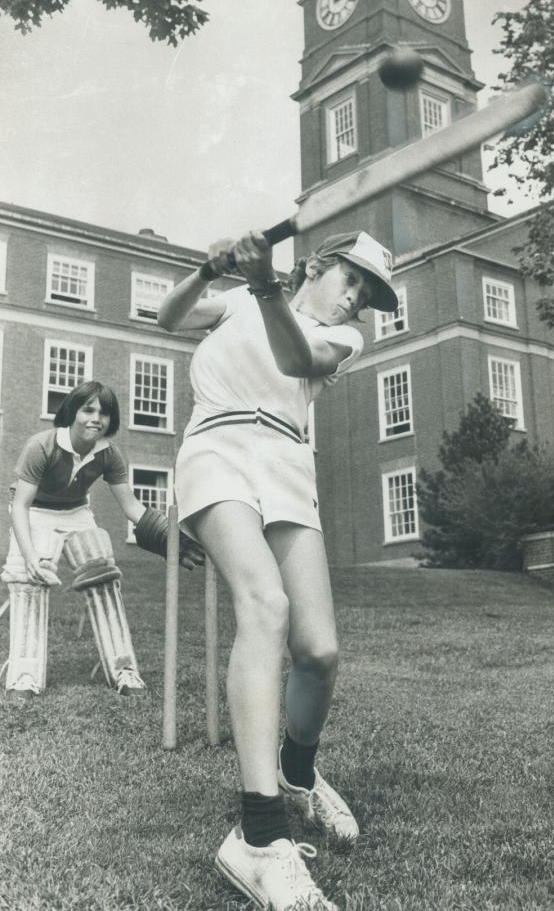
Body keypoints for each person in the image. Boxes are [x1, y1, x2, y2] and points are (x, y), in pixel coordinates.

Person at [158, 229, 398, 911]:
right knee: (264, 606)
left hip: (289, 461)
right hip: (217, 447)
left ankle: (297, 773)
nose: (355, 301)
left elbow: (294, 359)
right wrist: (209, 267)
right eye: (350, 281)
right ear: (317, 266)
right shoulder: (235, 302)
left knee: (318, 652)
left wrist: (265, 286)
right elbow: (167, 318)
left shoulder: (343, 342)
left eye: (368, 295)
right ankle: (259, 836)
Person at [1, 380, 202, 699]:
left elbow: (132, 507)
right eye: (88, 410)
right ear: (72, 411)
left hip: (76, 511)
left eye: (105, 412)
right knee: (29, 579)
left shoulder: (108, 454)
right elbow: (21, 505)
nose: (97, 418)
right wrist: (28, 556)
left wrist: (168, 537)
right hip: (35, 512)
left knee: (102, 573)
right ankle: (24, 675)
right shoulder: (42, 445)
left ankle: (124, 670)